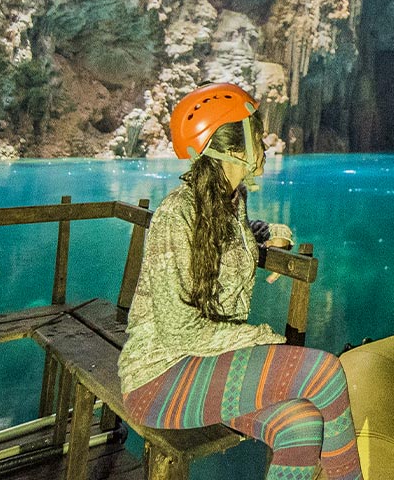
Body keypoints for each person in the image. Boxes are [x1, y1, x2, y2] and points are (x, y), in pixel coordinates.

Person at [118, 82, 365, 480]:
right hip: (158, 378)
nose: (265, 145)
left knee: (301, 424)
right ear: (234, 151)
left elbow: (238, 234)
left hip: (208, 365)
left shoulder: (231, 202)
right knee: (325, 372)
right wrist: (256, 335)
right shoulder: (173, 216)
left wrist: (272, 234)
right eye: (256, 135)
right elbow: (179, 333)